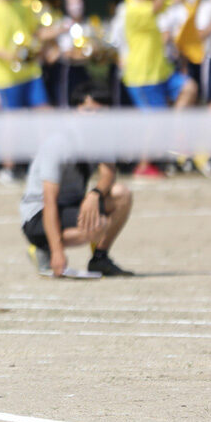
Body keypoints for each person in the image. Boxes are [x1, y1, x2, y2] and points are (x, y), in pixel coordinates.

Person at [21, 82, 135, 278]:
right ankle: (43, 248)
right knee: (98, 225)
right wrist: (58, 253)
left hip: (73, 205)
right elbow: (49, 202)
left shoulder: (101, 135)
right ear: (74, 112)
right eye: (88, 110)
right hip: (39, 214)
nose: (94, 117)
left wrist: (95, 194)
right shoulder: (58, 144)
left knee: (122, 194)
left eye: (101, 112)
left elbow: (108, 173)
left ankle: (100, 258)